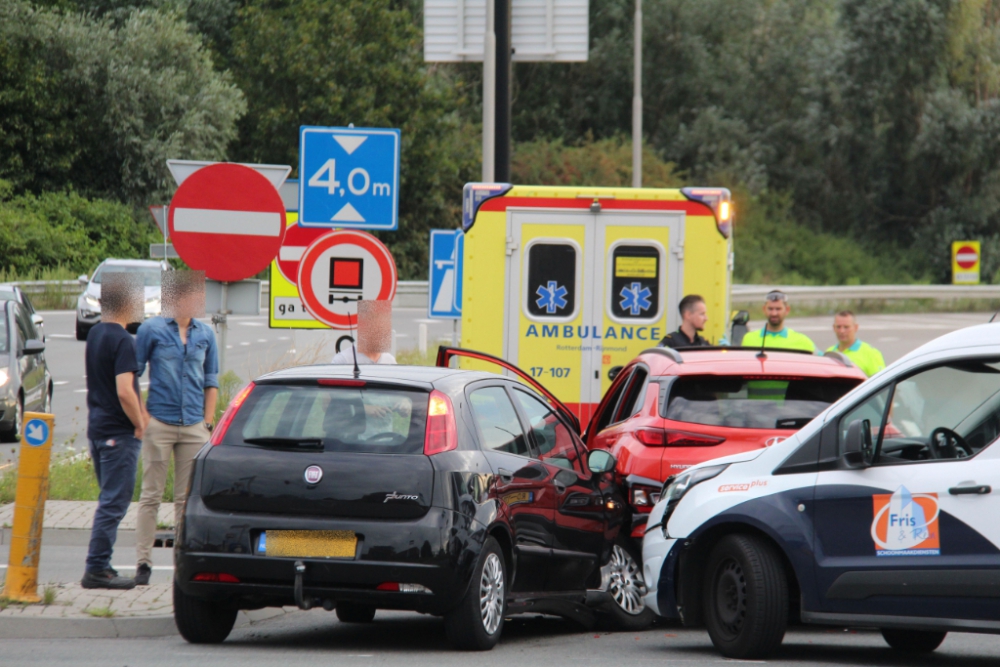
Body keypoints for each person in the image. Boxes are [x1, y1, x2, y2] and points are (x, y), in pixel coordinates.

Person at [133, 274, 218, 586]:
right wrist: (143, 419)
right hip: (160, 423)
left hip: (194, 426)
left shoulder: (205, 334)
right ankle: (143, 563)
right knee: (151, 495)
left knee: (186, 500)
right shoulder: (151, 330)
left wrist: (206, 423)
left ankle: (182, 566)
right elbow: (132, 373)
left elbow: (212, 381)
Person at [82, 275, 146, 590]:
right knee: (114, 502)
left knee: (107, 500)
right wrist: (140, 422)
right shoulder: (124, 340)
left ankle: (101, 565)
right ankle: (96, 569)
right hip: (117, 435)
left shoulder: (95, 334)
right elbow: (125, 391)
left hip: (96, 429)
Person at [741, 290, 816, 352]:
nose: (774, 313)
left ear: (787, 310)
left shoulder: (802, 341)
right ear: (764, 309)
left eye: (778, 309)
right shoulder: (749, 339)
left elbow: (823, 358)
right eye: (770, 309)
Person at [827, 310, 886, 377]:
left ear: (856, 327)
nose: (842, 331)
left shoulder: (871, 353)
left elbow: (880, 381)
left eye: (846, 327)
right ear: (833, 328)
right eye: (838, 327)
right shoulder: (830, 353)